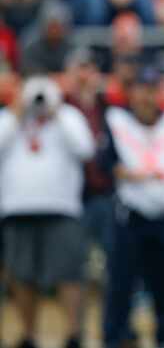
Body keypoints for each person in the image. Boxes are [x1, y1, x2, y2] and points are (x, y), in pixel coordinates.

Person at [0, 76, 96, 348]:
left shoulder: (69, 116)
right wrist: (17, 112)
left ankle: (74, 335)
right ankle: (28, 335)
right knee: (21, 275)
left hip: (62, 207)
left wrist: (58, 113)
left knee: (69, 273)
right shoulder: (9, 118)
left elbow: (85, 148)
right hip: (17, 207)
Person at [102, 66, 164, 348]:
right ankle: (116, 338)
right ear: (132, 93)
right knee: (121, 286)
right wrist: (129, 174)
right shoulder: (118, 122)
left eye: (152, 89)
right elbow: (106, 163)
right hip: (131, 216)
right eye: (142, 89)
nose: (146, 96)